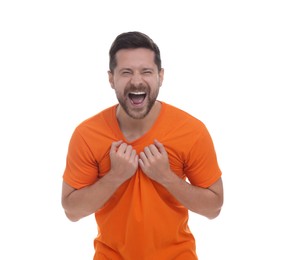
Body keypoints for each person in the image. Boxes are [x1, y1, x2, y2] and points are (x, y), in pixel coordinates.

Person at [61, 31, 224, 260]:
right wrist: (115, 176)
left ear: (160, 76)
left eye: (146, 71)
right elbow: (72, 211)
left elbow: (213, 208)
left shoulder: (192, 131)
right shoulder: (87, 134)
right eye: (126, 72)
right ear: (111, 78)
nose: (136, 81)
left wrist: (165, 176)